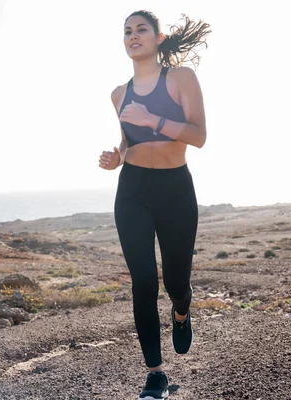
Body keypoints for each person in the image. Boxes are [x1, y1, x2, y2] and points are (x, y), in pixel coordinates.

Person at [98, 10, 210, 400]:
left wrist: (154, 120)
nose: (133, 36)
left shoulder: (180, 79)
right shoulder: (119, 93)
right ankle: (155, 374)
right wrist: (118, 158)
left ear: (159, 37)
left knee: (176, 281)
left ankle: (182, 309)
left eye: (141, 29)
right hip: (132, 192)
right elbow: (130, 141)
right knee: (143, 281)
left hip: (175, 190)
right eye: (127, 31)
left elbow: (198, 136)